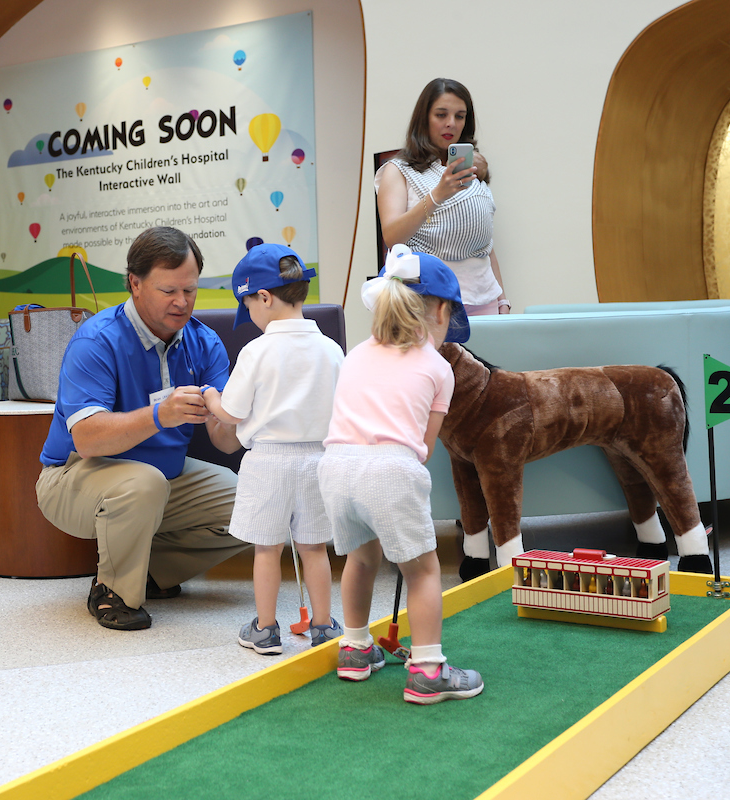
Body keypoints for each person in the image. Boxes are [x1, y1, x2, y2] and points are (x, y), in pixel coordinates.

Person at [36, 226, 250, 631]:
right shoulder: (96, 341)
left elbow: (224, 442)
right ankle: (113, 592)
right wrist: (160, 416)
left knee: (254, 501)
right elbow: (87, 437)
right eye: (168, 290)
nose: (182, 302)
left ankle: (150, 570)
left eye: (190, 290)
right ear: (135, 284)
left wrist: (240, 418)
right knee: (143, 483)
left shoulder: (204, 343)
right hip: (72, 476)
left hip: (164, 479)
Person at [319, 244, 484, 704]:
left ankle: (353, 648)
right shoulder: (438, 367)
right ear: (443, 311)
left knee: (360, 556)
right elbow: (424, 448)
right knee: (423, 569)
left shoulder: (354, 355)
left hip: (335, 468)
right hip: (390, 468)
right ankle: (429, 670)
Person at [201, 244, 343, 654]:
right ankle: (322, 626)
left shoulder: (256, 351)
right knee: (314, 548)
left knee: (266, 550)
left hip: (268, 462)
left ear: (263, 297)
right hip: (319, 459)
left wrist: (211, 397)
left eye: (248, 305)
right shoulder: (331, 349)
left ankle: (265, 629)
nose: (251, 316)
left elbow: (230, 412)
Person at [375, 78, 510, 316]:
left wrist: (502, 301)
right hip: (426, 301)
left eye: (460, 116)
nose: (451, 123)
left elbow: (485, 244)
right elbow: (392, 237)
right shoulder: (398, 170)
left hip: (484, 299)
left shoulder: (471, 168)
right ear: (424, 118)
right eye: (441, 115)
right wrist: (438, 194)